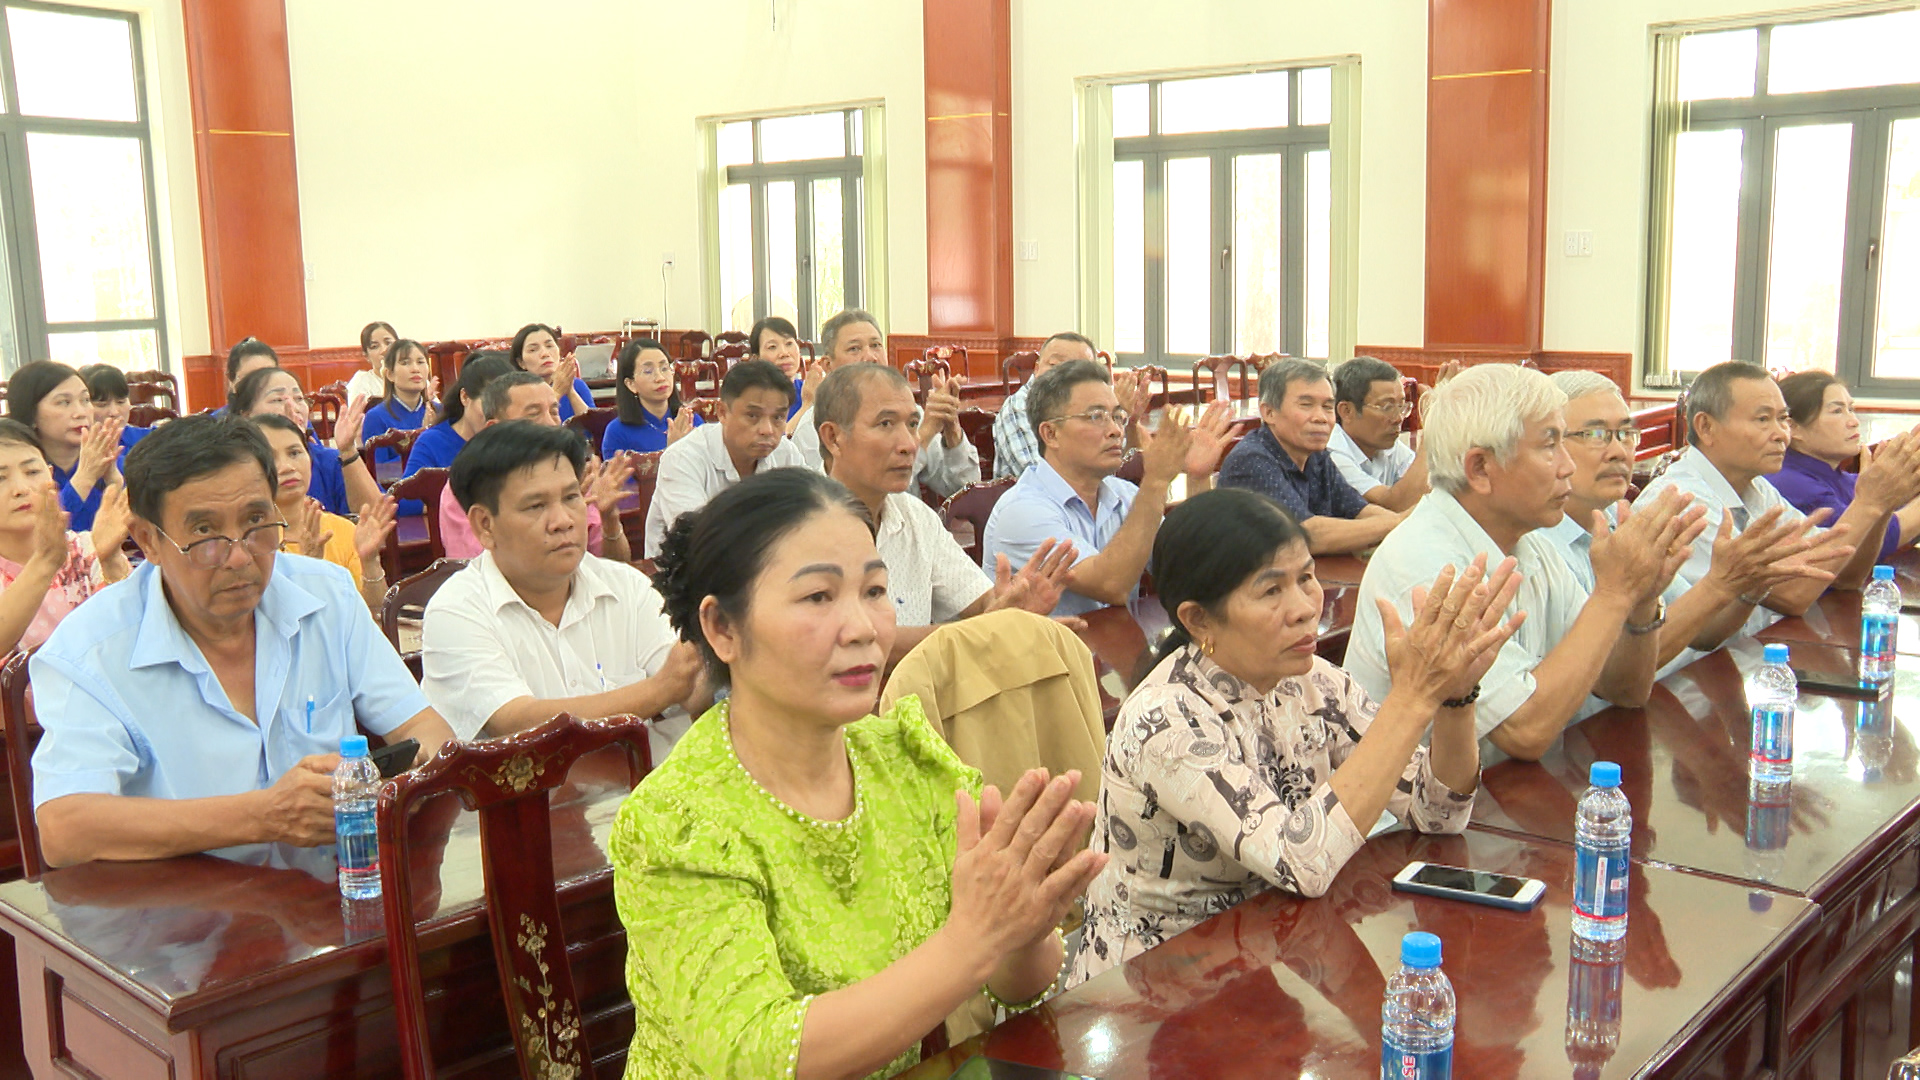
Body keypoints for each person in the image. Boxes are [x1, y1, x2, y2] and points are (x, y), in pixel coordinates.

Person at [612, 467, 1106, 1078]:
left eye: (874, 591)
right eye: (818, 597)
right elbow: (755, 1054)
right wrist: (972, 942)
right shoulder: (676, 820)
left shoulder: (905, 757)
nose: (864, 629)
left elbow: (1018, 984)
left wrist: (1023, 926)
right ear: (722, 629)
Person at [1067, 489, 1516, 986]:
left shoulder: (1312, 681)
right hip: (1158, 986)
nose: (1305, 608)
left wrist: (1455, 698)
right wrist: (1411, 698)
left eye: (1306, 578)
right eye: (1271, 591)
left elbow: (1439, 813)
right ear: (1198, 619)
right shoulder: (1166, 719)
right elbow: (1301, 863)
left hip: (1275, 951)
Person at [28, 415, 456, 868]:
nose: (238, 557)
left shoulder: (327, 595)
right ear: (148, 540)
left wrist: (407, 779)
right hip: (189, 906)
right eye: (204, 533)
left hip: (336, 887)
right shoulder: (89, 650)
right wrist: (263, 816)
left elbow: (424, 728)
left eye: (256, 521)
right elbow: (65, 829)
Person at [1346, 363, 1702, 763]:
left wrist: (1641, 601)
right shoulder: (1428, 563)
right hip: (1414, 799)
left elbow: (1624, 689)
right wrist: (1616, 593)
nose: (1568, 466)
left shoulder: (1527, 541)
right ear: (1480, 468)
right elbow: (1526, 731)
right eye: (1550, 446)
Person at [422, 422, 704, 752]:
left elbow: (692, 688)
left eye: (571, 497)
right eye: (536, 506)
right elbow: (517, 721)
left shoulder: (626, 586)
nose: (563, 521)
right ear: (485, 525)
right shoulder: (455, 610)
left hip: (639, 781)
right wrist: (661, 689)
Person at [1544, 370, 1844, 671]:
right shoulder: (1539, 543)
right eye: (1595, 435)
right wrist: (1723, 584)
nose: (1618, 452)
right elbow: (1609, 675)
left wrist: (1747, 586)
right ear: (1548, 447)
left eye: (1625, 434)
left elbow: (1703, 632)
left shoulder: (1621, 521)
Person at [815, 363, 1075, 659]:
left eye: (913, 424)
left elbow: (981, 602)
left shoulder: (916, 516)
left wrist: (1015, 610)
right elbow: (861, 643)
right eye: (886, 424)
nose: (909, 444)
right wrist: (987, 630)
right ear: (833, 438)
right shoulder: (800, 525)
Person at [1637, 361, 1920, 630]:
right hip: (1699, 662)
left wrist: (1882, 506)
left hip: (1753, 649)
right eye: (1763, 419)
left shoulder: (1758, 488)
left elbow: (1844, 575)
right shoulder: (1683, 501)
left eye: (1782, 419)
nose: (1781, 434)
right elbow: (1795, 595)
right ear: (1706, 427)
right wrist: (1869, 503)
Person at [984, 360, 1230, 618]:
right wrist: (1156, 480)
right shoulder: (1022, 511)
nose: (1115, 431)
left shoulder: (1124, 494)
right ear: (1051, 434)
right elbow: (1111, 585)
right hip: (1050, 644)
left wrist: (1198, 478)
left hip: (1117, 640)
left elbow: (1191, 570)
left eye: (1117, 417)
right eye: (1096, 417)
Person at [1218, 358, 1404, 555]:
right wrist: (1400, 521)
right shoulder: (1252, 460)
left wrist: (1400, 523)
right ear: (1269, 412)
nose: (1320, 418)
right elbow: (1305, 535)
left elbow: (1358, 510)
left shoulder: (1317, 456)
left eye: (1327, 407)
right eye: (1306, 405)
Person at [439, 373, 631, 563]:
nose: (550, 423)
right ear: (494, 428)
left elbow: (614, 567)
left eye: (554, 412)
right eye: (533, 414)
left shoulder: (573, 476)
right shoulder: (467, 485)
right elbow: (479, 570)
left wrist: (609, 519)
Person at [790, 310, 982, 498]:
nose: (870, 357)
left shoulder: (909, 413)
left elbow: (965, 489)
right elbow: (850, 501)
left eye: (875, 345)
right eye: (854, 349)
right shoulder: (813, 428)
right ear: (827, 365)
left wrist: (951, 428)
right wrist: (925, 434)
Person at [645, 359, 807, 558]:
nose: (767, 430)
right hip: (690, 570)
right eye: (753, 416)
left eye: (778, 418)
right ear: (722, 412)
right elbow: (700, 540)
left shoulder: (785, 453)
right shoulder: (682, 458)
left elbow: (813, 512)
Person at [0, 418, 131, 654]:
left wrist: (111, 561)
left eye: (32, 471)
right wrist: (47, 559)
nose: (21, 488)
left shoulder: (86, 548)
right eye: (1, 478)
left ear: (50, 476)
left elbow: (133, 630)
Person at [254, 414, 397, 613]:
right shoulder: (250, 541)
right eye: (270, 458)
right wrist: (310, 567)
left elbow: (374, 613)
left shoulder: (341, 530)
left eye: (294, 453)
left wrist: (370, 562)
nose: (287, 467)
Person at [1772, 370, 1920, 559]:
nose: (1854, 422)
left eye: (1851, 409)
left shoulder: (1840, 477)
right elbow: (1858, 546)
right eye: (1837, 411)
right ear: (1793, 428)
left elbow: (1897, 514)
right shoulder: (1789, 483)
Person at [229, 366, 382, 521]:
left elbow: (377, 517)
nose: (293, 407)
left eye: (299, 398)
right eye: (278, 400)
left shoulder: (331, 460)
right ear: (246, 415)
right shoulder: (238, 467)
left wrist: (348, 451)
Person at [7, 361, 122, 532]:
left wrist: (114, 481)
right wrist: (85, 477)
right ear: (30, 414)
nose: (81, 413)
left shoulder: (114, 461)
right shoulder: (19, 475)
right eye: (64, 402)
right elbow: (41, 534)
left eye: (85, 400)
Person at [1328, 355, 1429, 511]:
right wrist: (1430, 438)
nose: (1398, 418)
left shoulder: (1387, 444)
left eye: (1402, 406)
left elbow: (1426, 489)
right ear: (1346, 411)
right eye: (1387, 407)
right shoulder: (1332, 454)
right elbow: (1395, 504)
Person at [994, 332, 1097, 480]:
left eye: (1078, 370)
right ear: (1037, 368)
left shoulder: (1096, 407)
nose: (1063, 375)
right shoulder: (1019, 406)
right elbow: (1041, 477)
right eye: (1054, 365)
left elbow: (1115, 465)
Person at [405, 354, 514, 476]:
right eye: (488, 404)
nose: (497, 415)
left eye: (506, 406)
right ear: (465, 397)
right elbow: (410, 486)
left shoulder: (515, 441)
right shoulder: (432, 443)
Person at [601, 338, 699, 455]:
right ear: (631, 384)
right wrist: (673, 450)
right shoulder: (617, 432)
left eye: (664, 368)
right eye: (648, 371)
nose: (660, 378)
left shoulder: (690, 420)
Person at [358, 338, 438, 469]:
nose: (415, 369)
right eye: (405, 363)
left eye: (420, 362)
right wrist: (424, 436)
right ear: (390, 374)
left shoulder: (439, 411)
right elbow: (381, 472)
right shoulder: (376, 417)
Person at [510, 323, 595, 423]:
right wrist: (557, 391)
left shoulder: (577, 385)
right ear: (521, 362)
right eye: (533, 350)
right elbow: (533, 431)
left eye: (549, 346)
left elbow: (594, 427)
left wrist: (570, 391)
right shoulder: (518, 394)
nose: (545, 354)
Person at [79, 365, 152, 455]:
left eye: (121, 402)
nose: (114, 412)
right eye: (102, 405)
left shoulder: (149, 441)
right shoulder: (72, 449)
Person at [749, 315, 809, 422]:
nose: (784, 353)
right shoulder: (751, 399)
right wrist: (807, 405)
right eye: (772, 347)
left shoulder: (808, 391)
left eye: (789, 344)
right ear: (756, 358)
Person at [214, 338, 280, 418]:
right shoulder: (216, 422)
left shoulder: (288, 417)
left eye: (268, 377)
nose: (260, 385)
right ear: (231, 380)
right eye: (250, 377)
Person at [346, 321, 397, 402]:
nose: (384, 350)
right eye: (375, 346)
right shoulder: (362, 382)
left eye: (388, 343)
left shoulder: (411, 376)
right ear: (366, 356)